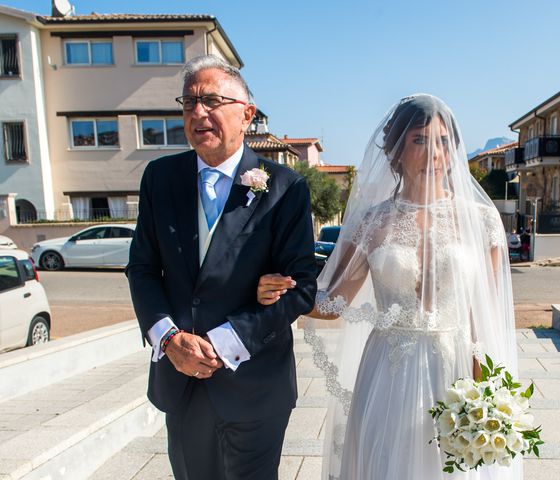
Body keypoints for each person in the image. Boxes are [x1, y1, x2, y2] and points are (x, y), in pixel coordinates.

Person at [257, 95, 521, 479]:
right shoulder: (372, 222)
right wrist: (284, 289)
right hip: (388, 372)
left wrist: (486, 389)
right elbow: (332, 302)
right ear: (395, 151)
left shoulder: (481, 221)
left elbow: (487, 315)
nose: (434, 153)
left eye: (443, 142)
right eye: (419, 141)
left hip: (456, 370)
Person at [126, 55, 317, 480]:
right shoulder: (160, 177)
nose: (197, 113)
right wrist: (168, 338)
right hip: (182, 378)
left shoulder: (285, 188)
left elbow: (302, 286)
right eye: (189, 102)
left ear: (247, 114)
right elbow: (141, 268)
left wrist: (226, 341)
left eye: (211, 101)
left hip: (255, 385)